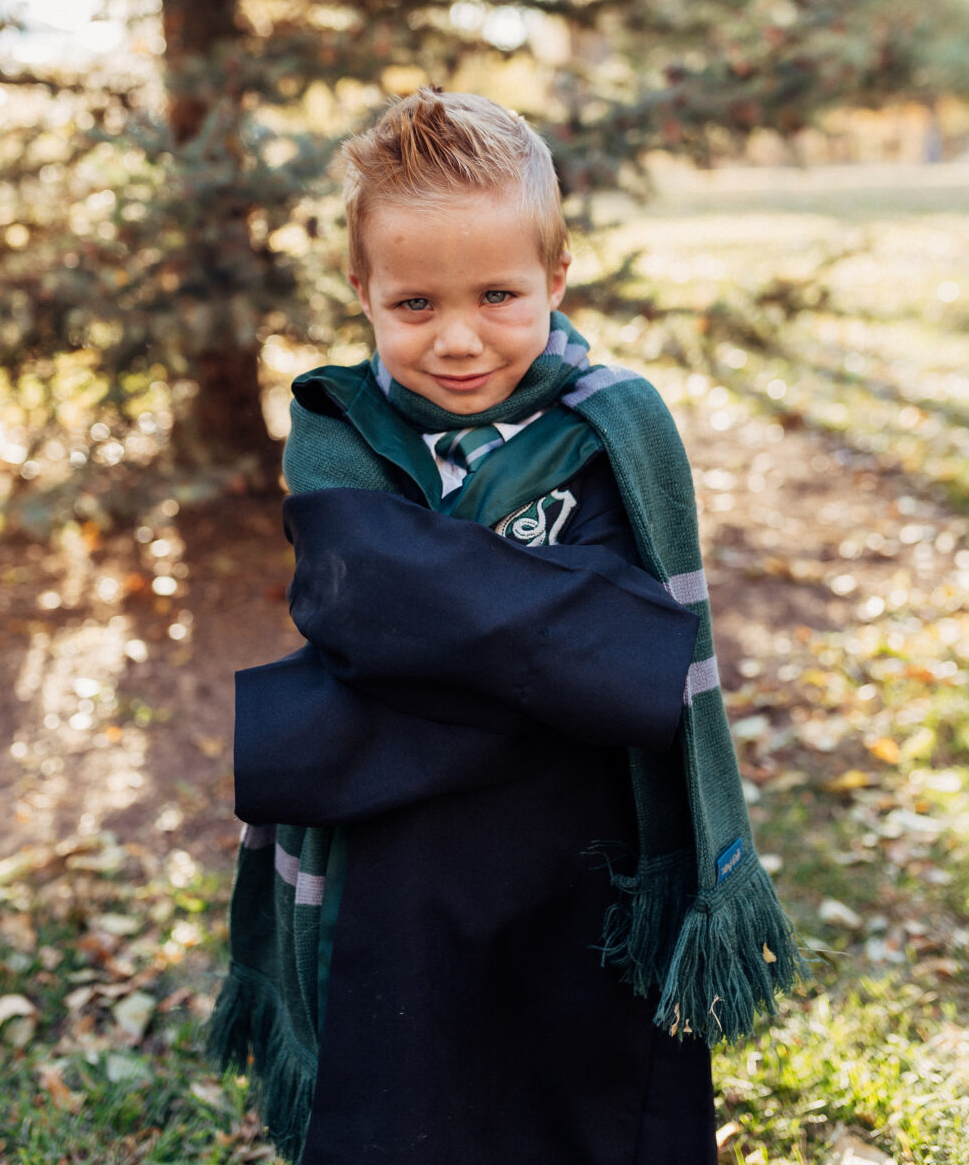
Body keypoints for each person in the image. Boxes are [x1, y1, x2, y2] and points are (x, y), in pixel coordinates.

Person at [207, 87, 804, 1164]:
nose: (459, 339)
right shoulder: (337, 427)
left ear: (556, 277)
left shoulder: (615, 427)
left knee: (581, 1083)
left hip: (586, 851)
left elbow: (632, 663)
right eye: (414, 304)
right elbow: (364, 608)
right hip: (400, 864)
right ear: (361, 291)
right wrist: (566, 636)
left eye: (497, 295)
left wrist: (420, 640)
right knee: (412, 1087)